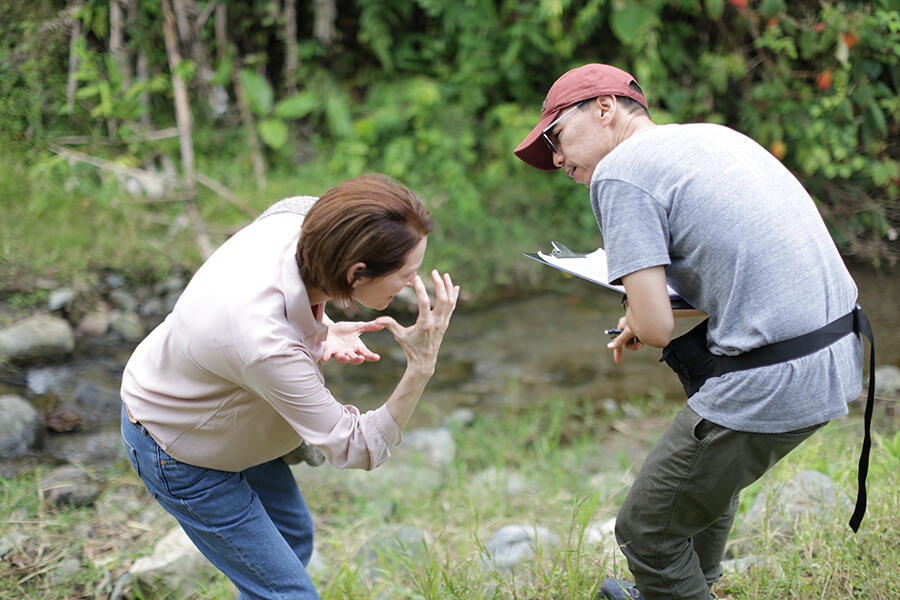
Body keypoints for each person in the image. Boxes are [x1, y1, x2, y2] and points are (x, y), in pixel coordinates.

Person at [514, 64, 868, 600]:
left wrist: (640, 315)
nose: (557, 159)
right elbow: (737, 270)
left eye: (557, 137)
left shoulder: (621, 173)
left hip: (778, 377)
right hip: (840, 353)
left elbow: (655, 327)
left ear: (605, 110)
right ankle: (690, 588)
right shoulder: (712, 138)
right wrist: (644, 311)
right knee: (701, 489)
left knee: (646, 531)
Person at [119, 174, 460, 599]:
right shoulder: (265, 342)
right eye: (406, 273)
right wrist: (421, 366)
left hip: (217, 400)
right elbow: (358, 447)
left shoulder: (300, 218)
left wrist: (321, 327)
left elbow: (282, 294)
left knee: (294, 536)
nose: (414, 283)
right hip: (177, 447)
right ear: (357, 273)